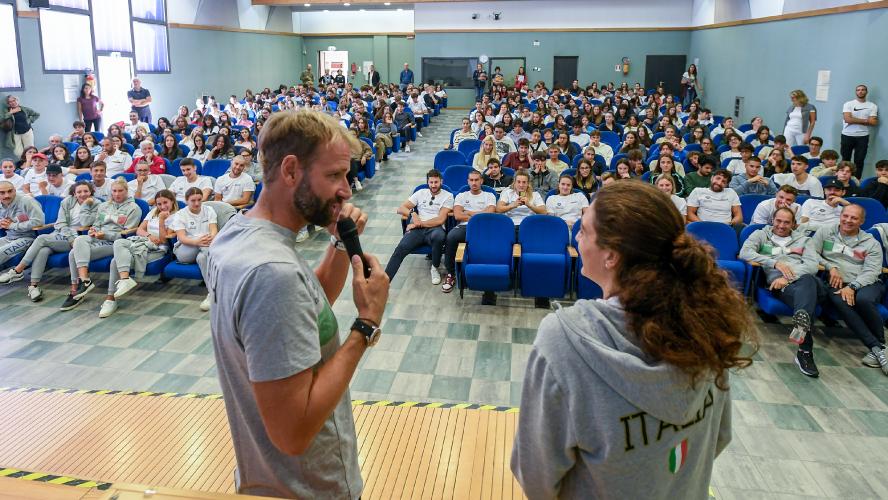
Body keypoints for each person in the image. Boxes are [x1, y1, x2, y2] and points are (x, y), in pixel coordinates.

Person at [512, 181, 752, 499]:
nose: (577, 238)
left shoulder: (563, 340)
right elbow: (719, 437)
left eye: (584, 230)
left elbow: (536, 477)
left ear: (611, 256)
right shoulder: (706, 321)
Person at [205, 109, 388, 499]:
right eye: (334, 175)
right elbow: (293, 432)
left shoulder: (237, 234)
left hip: (266, 477)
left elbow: (304, 309)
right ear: (290, 171)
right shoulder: (274, 272)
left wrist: (340, 244)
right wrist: (366, 325)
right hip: (307, 488)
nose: (347, 190)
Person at [739, 207, 823, 376]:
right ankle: (805, 352)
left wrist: (788, 277)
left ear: (793, 224)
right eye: (778, 221)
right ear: (772, 220)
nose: (782, 225)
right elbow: (745, 252)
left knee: (807, 279)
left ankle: (804, 348)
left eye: (786, 222)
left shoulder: (804, 240)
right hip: (782, 288)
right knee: (804, 307)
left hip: (808, 284)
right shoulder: (760, 235)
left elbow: (812, 265)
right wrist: (774, 263)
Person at [810, 204, 887, 375]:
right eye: (846, 216)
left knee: (863, 300)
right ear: (841, 215)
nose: (848, 220)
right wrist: (831, 267)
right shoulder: (825, 232)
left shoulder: (871, 243)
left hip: (867, 282)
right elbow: (811, 253)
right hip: (837, 281)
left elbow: (872, 271)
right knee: (840, 300)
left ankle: (880, 345)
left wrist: (853, 286)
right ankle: (878, 348)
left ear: (862, 221)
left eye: (854, 218)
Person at [0, 181, 98, 301]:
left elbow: (85, 223)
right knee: (43, 250)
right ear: (74, 193)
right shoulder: (67, 201)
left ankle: (18, 270)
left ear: (91, 192)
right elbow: (60, 223)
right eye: (79, 192)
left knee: (41, 238)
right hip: (61, 236)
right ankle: (33, 286)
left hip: (78, 239)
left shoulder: (95, 204)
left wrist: (85, 206)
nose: (83, 194)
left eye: (86, 191)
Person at [61, 178, 141, 311]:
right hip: (98, 238)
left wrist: (105, 235)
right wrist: (93, 230)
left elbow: (126, 235)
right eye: (114, 191)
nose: (117, 194)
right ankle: (84, 282)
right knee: (80, 240)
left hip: (115, 243)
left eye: (120, 191)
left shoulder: (134, 208)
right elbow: (96, 224)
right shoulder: (104, 206)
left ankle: (78, 291)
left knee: (73, 254)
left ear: (127, 191)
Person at [99, 189, 177, 318]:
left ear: (172, 201)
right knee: (119, 242)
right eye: (159, 204)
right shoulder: (153, 212)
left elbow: (164, 240)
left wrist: (162, 221)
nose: (162, 206)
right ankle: (124, 280)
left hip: (158, 249)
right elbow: (140, 230)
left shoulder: (177, 216)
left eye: (165, 203)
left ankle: (110, 298)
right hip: (142, 241)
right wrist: (149, 235)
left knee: (115, 261)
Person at [386, 169, 453, 283]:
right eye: (431, 182)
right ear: (428, 182)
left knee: (439, 236)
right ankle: (384, 281)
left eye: (436, 182)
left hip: (435, 228)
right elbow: (401, 208)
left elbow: (440, 219)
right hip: (417, 230)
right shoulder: (420, 192)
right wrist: (413, 214)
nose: (433, 185)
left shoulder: (448, 196)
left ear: (441, 181)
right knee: (400, 249)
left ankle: (434, 267)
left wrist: (418, 223)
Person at [442, 170, 496, 293]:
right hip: (465, 226)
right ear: (468, 181)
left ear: (481, 181)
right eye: (471, 180)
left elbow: (490, 213)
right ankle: (451, 274)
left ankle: (486, 274)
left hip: (484, 226)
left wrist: (468, 212)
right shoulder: (461, 195)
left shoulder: (489, 196)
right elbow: (457, 215)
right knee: (451, 237)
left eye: (476, 180)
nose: (474, 183)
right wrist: (478, 214)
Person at [169, 187, 218, 311]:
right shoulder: (180, 214)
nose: (197, 203)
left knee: (203, 257)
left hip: (205, 247)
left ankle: (211, 294)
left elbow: (213, 231)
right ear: (186, 200)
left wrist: (208, 239)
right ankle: (216, 292)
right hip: (185, 250)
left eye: (199, 200)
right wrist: (198, 241)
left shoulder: (209, 210)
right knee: (205, 248)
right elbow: (182, 238)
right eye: (193, 200)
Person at [0, 180, 45, 268]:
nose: (7, 195)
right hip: (9, 237)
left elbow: (39, 221)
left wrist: (12, 225)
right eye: (2, 193)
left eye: (10, 191)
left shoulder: (26, 201)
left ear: (15, 191)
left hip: (27, 238)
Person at [841, 84, 879, 179]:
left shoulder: (872, 106)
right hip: (847, 135)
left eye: (863, 90)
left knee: (859, 161)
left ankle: (856, 181)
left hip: (863, 136)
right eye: (858, 90)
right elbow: (847, 119)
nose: (860, 91)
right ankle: (843, 179)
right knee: (845, 160)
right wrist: (866, 120)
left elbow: (873, 122)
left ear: (866, 92)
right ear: (856, 92)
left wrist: (853, 119)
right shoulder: (848, 104)